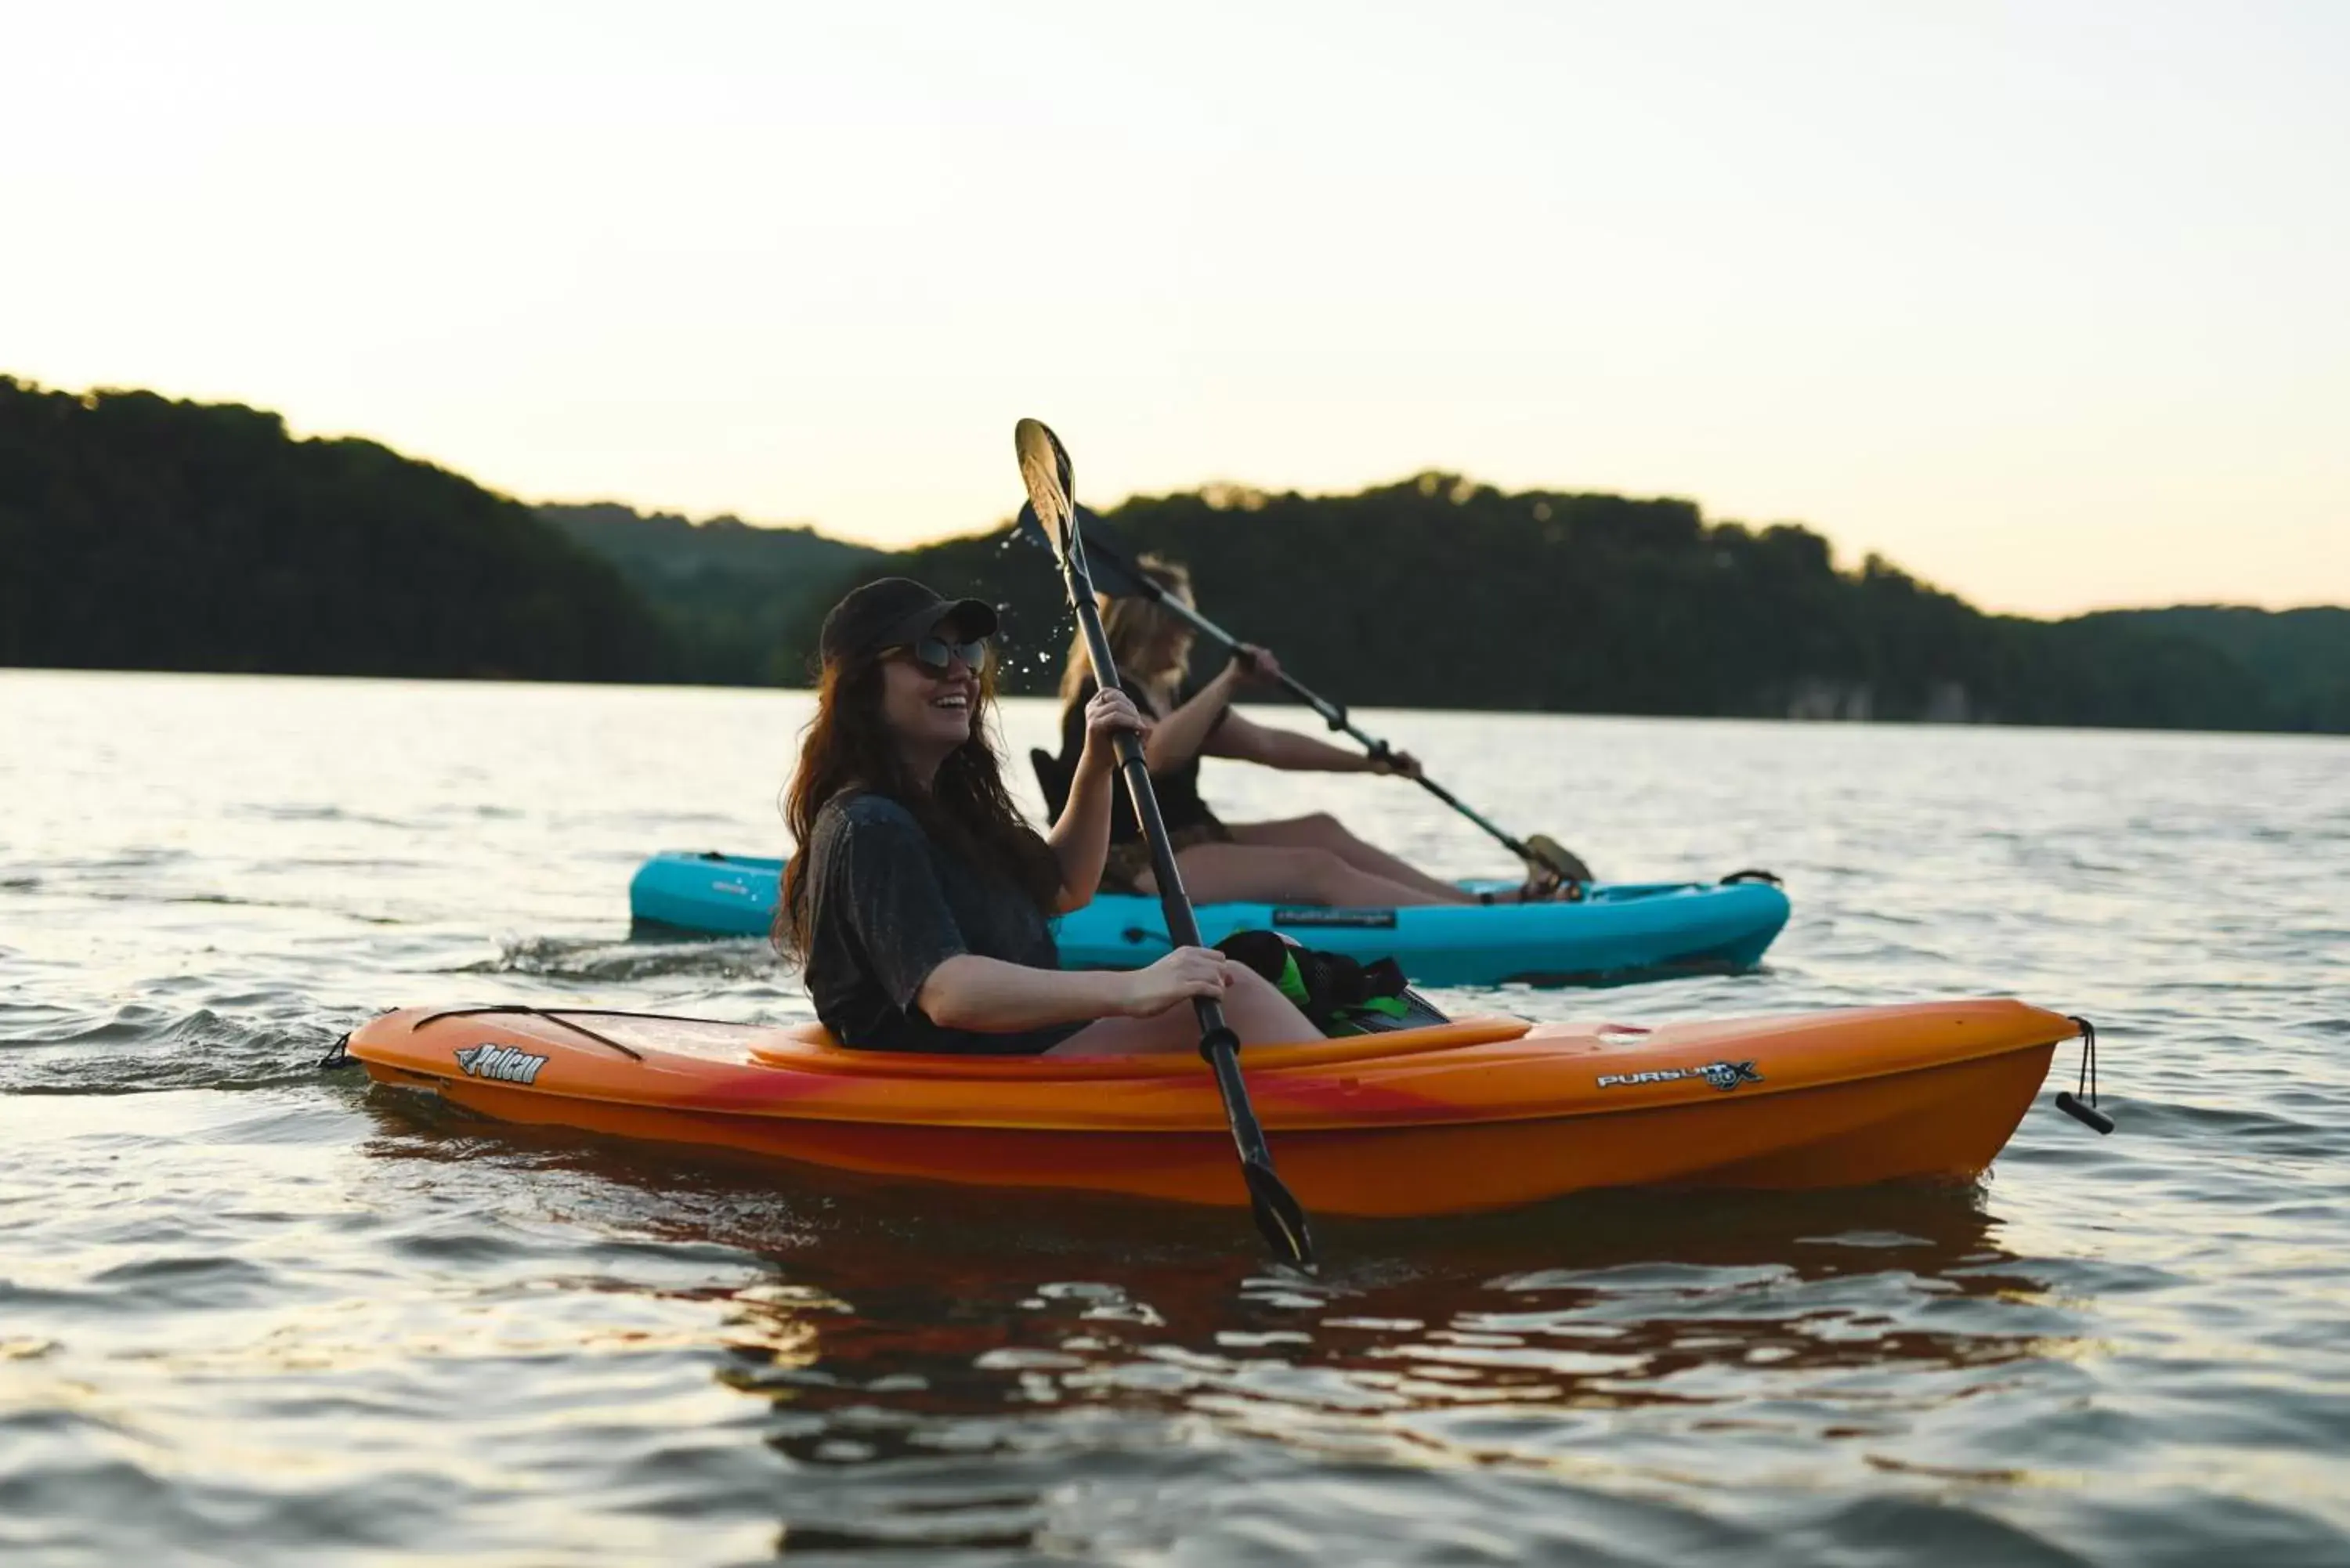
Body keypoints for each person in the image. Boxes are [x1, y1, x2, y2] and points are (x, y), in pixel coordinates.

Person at [775, 577, 1324, 1057]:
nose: (960, 673)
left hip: (1022, 1048)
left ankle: (1386, 1062)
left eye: (967, 653)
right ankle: (1374, 1110)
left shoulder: (949, 810)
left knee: (1276, 957)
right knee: (1237, 992)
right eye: (929, 655)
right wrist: (1133, 990)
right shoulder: (869, 825)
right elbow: (949, 992)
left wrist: (1095, 767)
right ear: (861, 688)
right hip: (964, 1075)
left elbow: (1065, 886)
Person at [1053, 557, 1558, 907]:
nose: (1190, 631)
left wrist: (1371, 764)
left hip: (1190, 838)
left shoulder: (1174, 695)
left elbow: (1270, 746)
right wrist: (1230, 680)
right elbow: (1157, 754)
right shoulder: (1104, 699)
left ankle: (1481, 904)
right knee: (1315, 866)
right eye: (1181, 619)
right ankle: (1473, 921)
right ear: (1148, 625)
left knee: (1322, 829)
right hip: (1134, 861)